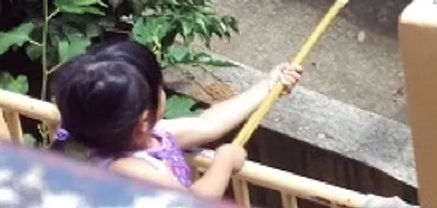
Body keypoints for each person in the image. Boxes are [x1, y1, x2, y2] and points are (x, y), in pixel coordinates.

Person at [49, 38, 303, 199]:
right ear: (143, 120)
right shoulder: (129, 170)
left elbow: (209, 124)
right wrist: (224, 162)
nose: (163, 92)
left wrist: (268, 86)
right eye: (159, 88)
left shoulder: (128, 134)